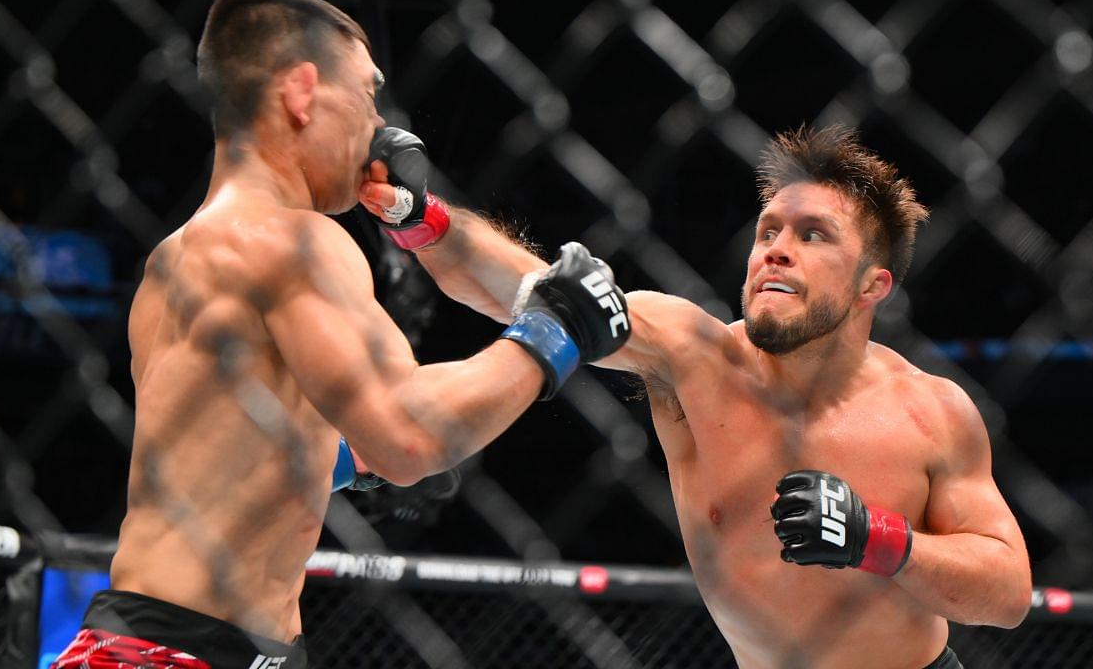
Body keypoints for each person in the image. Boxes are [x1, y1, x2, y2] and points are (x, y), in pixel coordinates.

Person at [50, 0, 629, 669]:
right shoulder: (295, 241)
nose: (378, 123)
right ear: (301, 93)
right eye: (366, 93)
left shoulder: (175, 258)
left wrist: (350, 463)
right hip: (180, 653)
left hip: (170, 642)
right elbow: (409, 435)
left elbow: (221, 461)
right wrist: (553, 328)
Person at [361, 124, 1031, 668]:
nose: (776, 250)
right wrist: (420, 216)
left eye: (813, 235)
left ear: (871, 286)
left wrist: (876, 539)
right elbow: (533, 290)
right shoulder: (692, 356)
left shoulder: (932, 411)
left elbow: (1006, 594)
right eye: (769, 230)